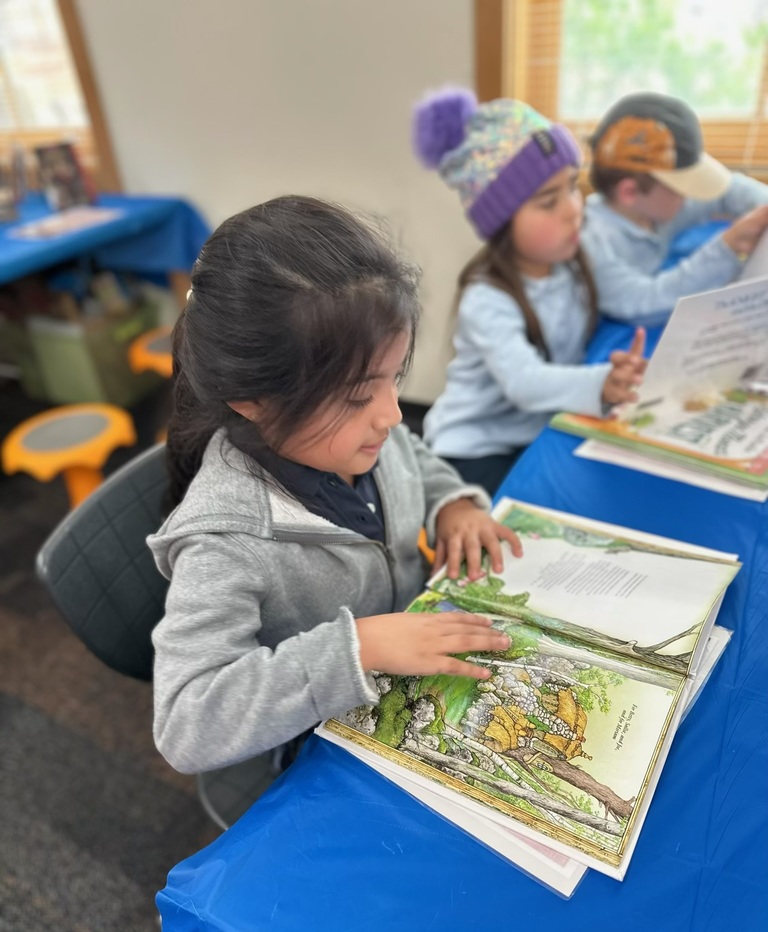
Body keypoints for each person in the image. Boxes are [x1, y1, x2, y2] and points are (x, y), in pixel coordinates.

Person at [147, 195, 523, 776]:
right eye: (359, 396)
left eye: (394, 379)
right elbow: (185, 723)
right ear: (252, 401)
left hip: (410, 672)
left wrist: (452, 506)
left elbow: (412, 456)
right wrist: (357, 649)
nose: (392, 414)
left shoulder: (354, 436)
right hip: (325, 744)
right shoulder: (225, 544)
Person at [412, 88, 646, 494]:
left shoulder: (571, 263)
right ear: (502, 222)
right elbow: (524, 381)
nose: (573, 208)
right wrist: (601, 383)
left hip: (536, 431)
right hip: (474, 451)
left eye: (572, 186)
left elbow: (638, 292)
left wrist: (728, 249)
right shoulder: (487, 297)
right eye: (548, 201)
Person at [582, 91, 768, 324]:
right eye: (681, 189)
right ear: (629, 192)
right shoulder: (592, 242)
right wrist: (726, 250)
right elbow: (642, 303)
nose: (689, 196)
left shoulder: (655, 205)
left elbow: (729, 190)